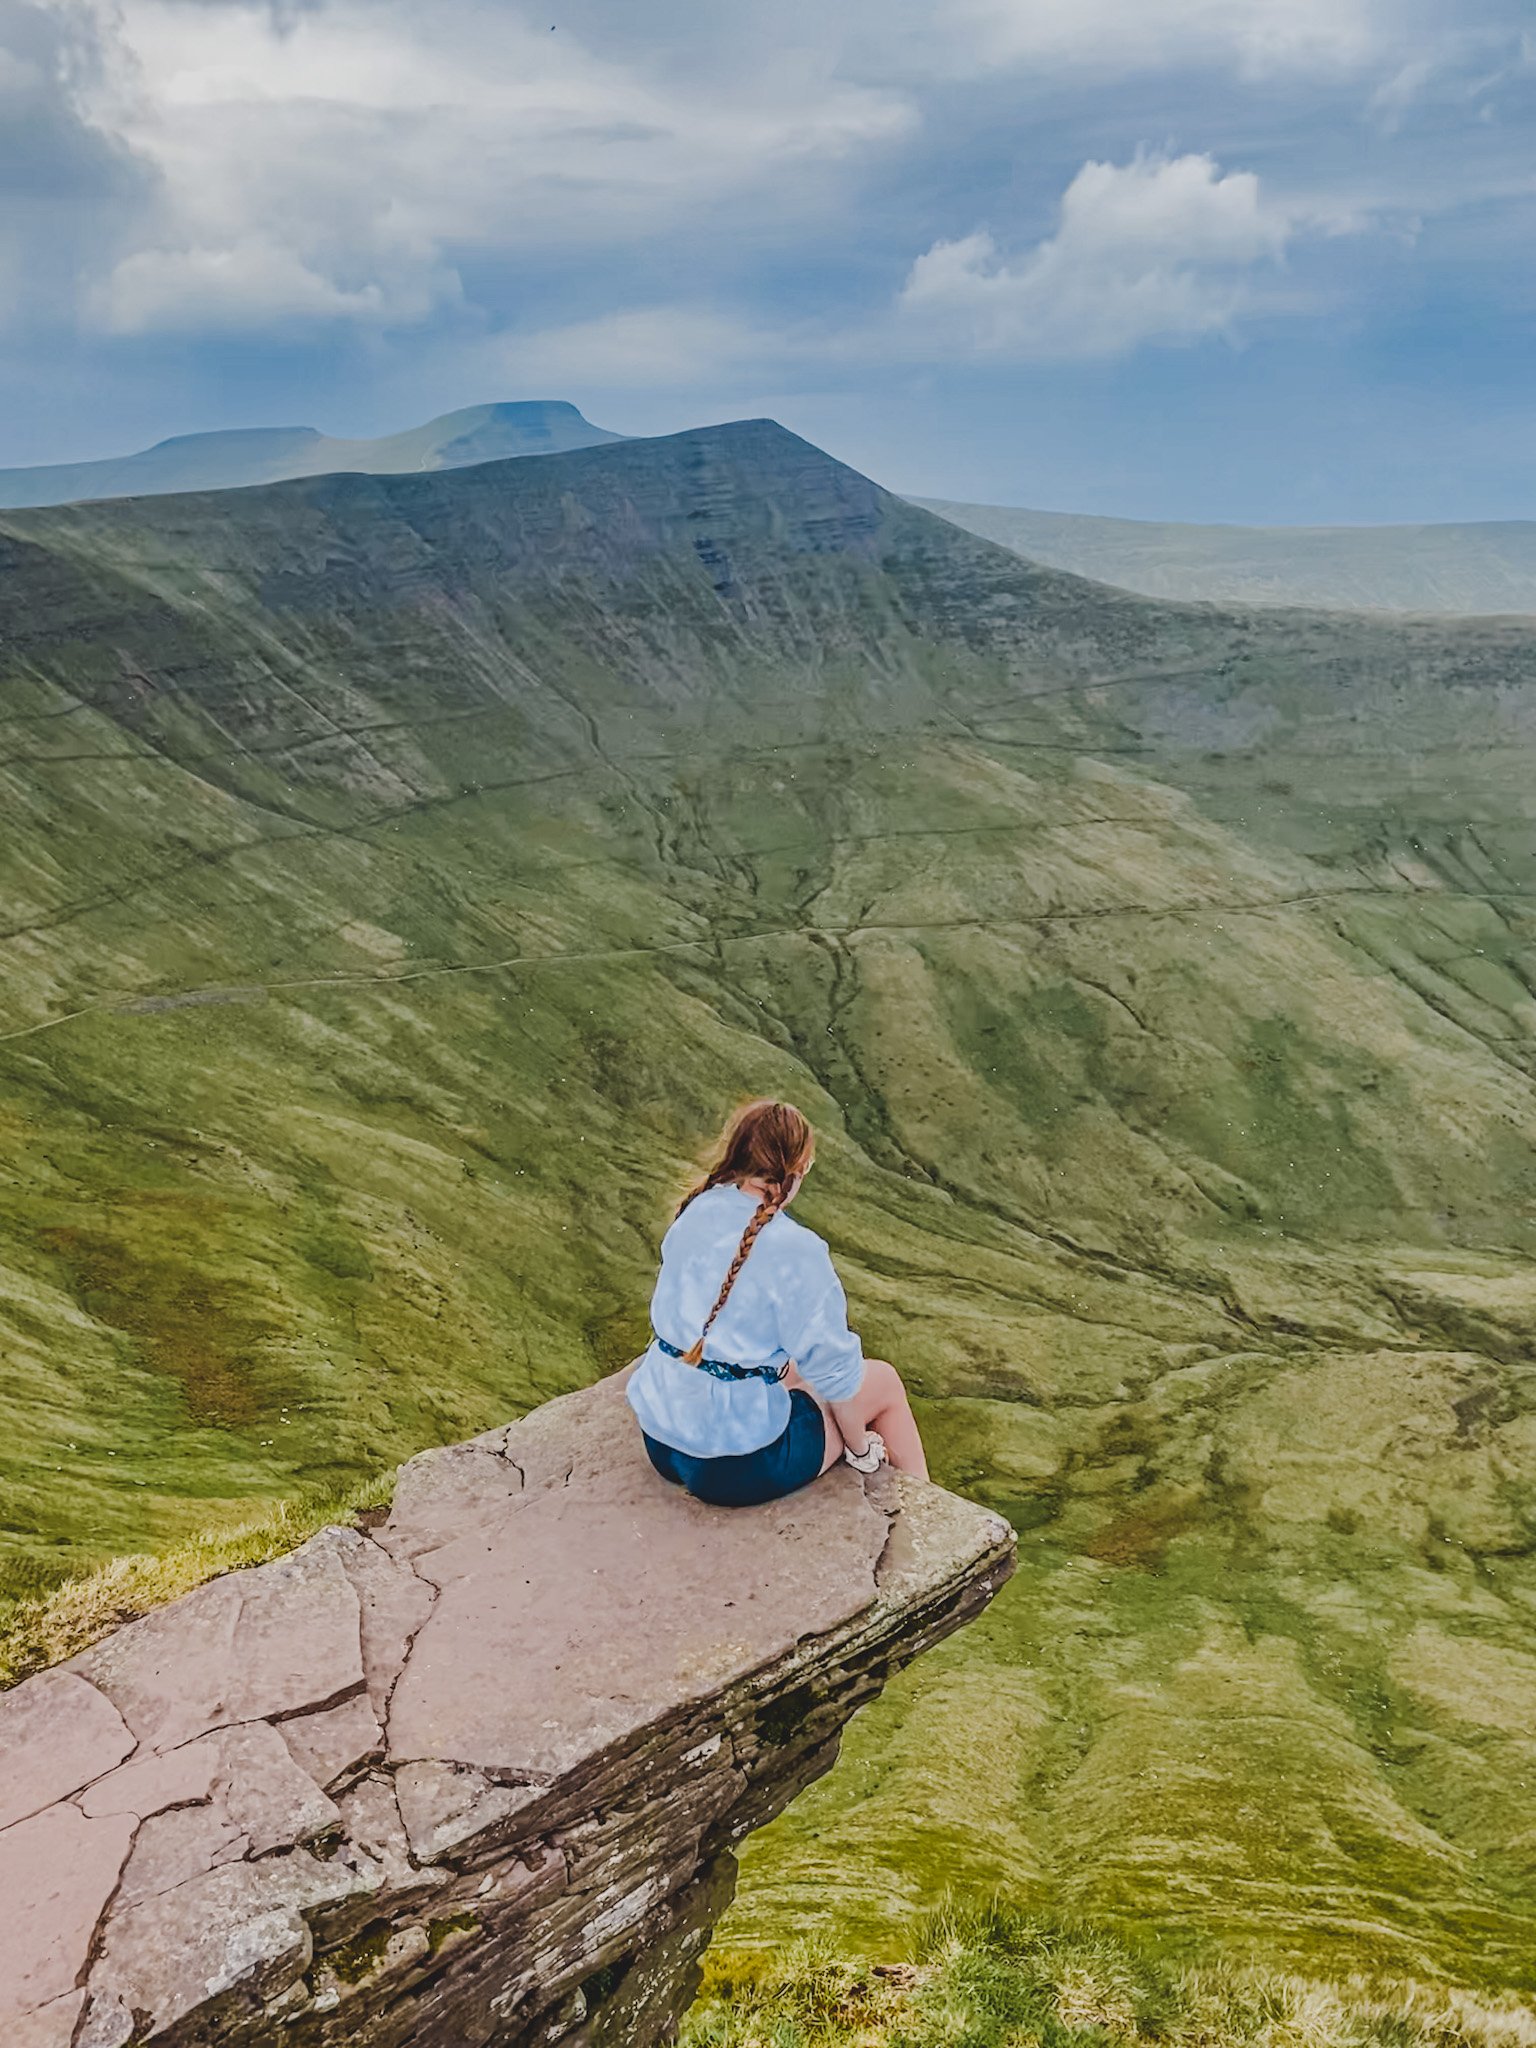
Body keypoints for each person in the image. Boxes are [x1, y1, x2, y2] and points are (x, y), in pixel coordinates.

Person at [626, 1098, 929, 1508]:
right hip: (736, 1469)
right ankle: (923, 1518)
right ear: (798, 1170)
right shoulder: (798, 1250)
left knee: (794, 1371)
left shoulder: (698, 1207)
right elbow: (837, 1374)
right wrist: (860, 1450)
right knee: (884, 1382)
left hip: (661, 1441)